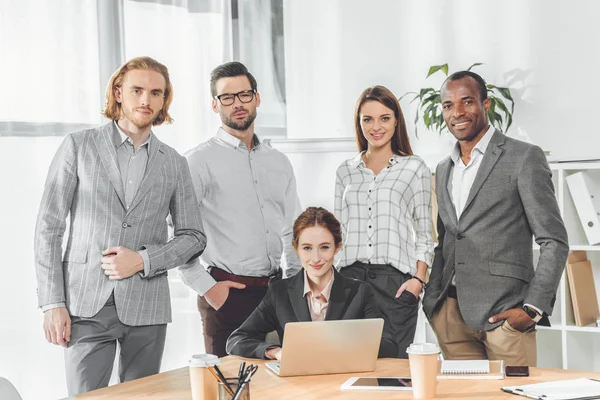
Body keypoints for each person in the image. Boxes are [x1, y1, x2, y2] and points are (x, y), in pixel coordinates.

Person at [34, 57, 211, 395]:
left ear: (164, 100)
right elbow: (49, 227)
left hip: (148, 306)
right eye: (137, 90)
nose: (146, 100)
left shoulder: (174, 162)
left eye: (156, 93)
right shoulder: (78, 146)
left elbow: (193, 237)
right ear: (118, 92)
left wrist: (144, 260)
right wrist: (52, 303)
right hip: (85, 304)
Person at [422, 70, 569, 366]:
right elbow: (447, 239)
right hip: (451, 315)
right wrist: (433, 302)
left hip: (506, 316)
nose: (458, 112)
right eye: (448, 105)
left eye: (467, 102)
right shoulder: (443, 168)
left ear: (486, 104)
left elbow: (554, 239)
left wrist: (532, 309)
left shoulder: (523, 157)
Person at [184, 61, 301, 358]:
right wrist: (208, 289)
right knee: (228, 387)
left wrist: (294, 286)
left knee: (278, 385)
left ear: (257, 98)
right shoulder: (198, 162)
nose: (237, 104)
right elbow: (177, 235)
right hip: (227, 294)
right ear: (215, 105)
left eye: (244, 95)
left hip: (276, 294)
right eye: (227, 97)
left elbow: (293, 228)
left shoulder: (279, 162)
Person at [334, 85, 434, 358]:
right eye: (367, 119)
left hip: (395, 285)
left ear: (396, 121)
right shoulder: (345, 171)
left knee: (393, 373)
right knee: (350, 367)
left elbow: (425, 233)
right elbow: (336, 234)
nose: (376, 126)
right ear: (359, 123)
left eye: (384, 118)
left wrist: (418, 281)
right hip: (348, 281)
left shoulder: (415, 167)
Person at [226, 207, 397, 359]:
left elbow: (388, 344)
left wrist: (345, 347)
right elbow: (236, 340)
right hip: (298, 386)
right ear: (296, 248)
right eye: (307, 248)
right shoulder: (279, 292)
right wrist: (276, 352)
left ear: (337, 247)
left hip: (344, 382)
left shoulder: (360, 292)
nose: (315, 258)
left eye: (324, 247)